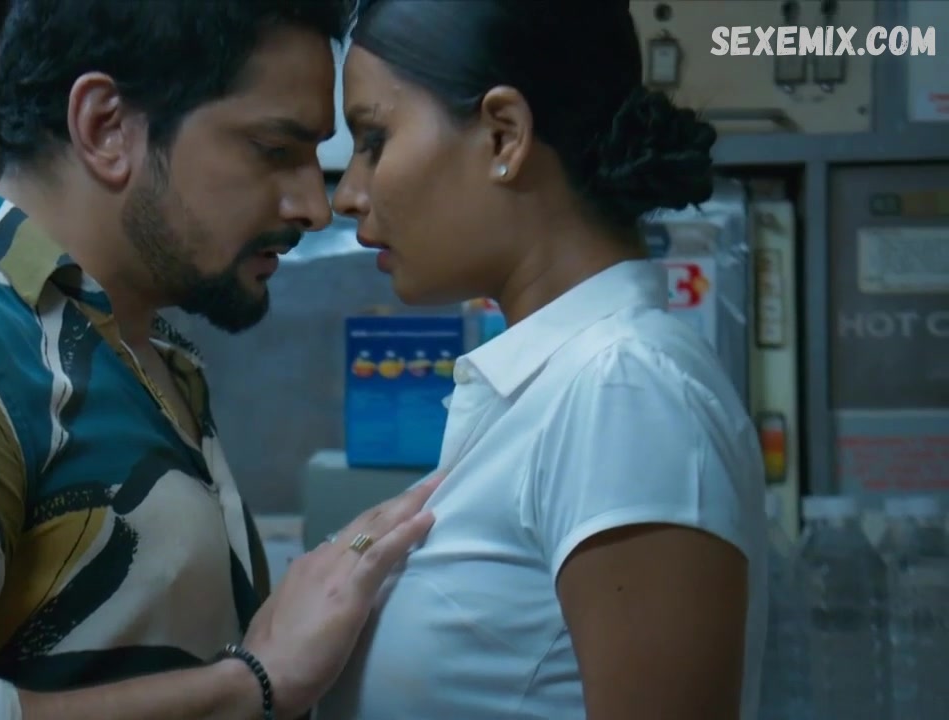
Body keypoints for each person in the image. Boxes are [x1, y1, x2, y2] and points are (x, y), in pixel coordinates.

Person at [0, 2, 442, 719]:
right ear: (106, 127)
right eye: (273, 149)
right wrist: (252, 685)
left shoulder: (143, 352)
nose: (314, 206)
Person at [317, 2, 768, 719]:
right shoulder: (553, 385)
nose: (347, 195)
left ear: (505, 134)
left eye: (375, 140)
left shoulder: (623, 388)